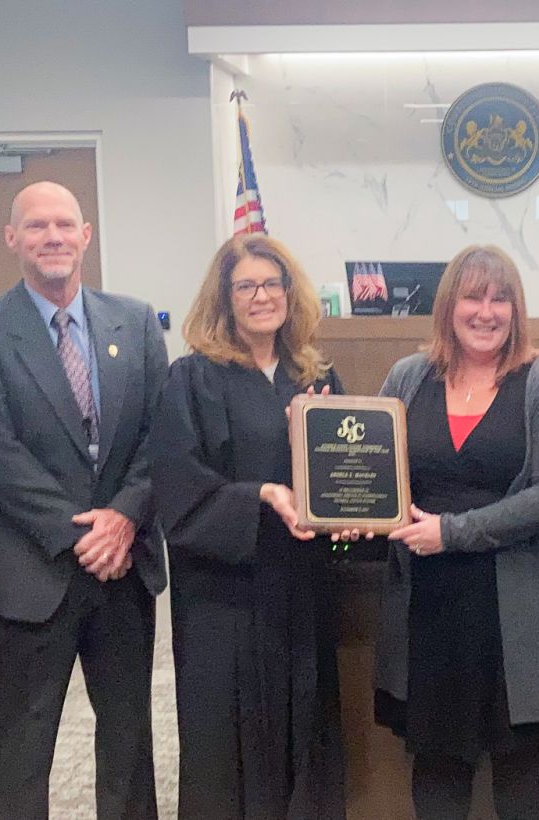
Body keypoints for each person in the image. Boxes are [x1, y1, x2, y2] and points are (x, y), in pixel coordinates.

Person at [0, 181, 168, 820]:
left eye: (65, 225)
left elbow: (161, 436)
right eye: (36, 226)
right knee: (19, 748)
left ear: (86, 235)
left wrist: (124, 516)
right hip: (30, 575)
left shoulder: (135, 321)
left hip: (124, 572)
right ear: (12, 238)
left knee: (129, 743)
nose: (53, 238)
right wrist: (85, 535)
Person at [373, 245, 539, 820]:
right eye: (473, 296)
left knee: (521, 769)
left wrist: (456, 532)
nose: (486, 311)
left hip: (515, 612)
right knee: (438, 768)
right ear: (448, 306)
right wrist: (317, 441)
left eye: (500, 299)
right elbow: (373, 471)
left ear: (517, 310)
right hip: (428, 608)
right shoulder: (407, 377)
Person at [150, 234, 348, 819]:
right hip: (225, 598)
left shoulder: (316, 377)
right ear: (225, 297)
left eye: (272, 283)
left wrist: (351, 518)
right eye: (246, 286)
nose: (262, 296)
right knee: (227, 745)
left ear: (290, 292)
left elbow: (341, 473)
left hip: (300, 587)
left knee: (305, 728)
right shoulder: (192, 378)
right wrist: (259, 495)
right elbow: (177, 487)